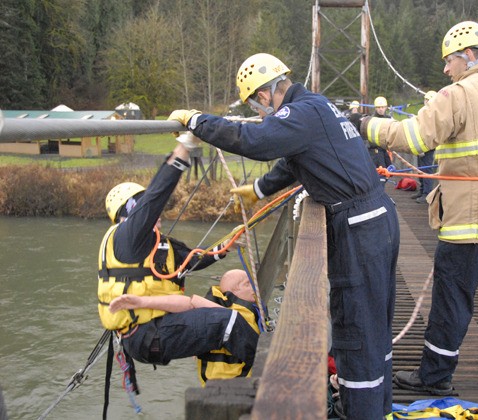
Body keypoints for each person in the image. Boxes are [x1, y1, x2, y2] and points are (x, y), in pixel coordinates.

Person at [168, 52, 400, 419]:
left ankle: (363, 413)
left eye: (258, 107)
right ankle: (377, 407)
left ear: (263, 96)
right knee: (374, 325)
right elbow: (296, 160)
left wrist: (197, 121)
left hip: (359, 227)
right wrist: (259, 189)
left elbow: (252, 139)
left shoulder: (300, 113)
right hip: (375, 218)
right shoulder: (315, 106)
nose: (262, 115)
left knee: (356, 332)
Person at [359, 21, 478, 395]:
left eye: (449, 61)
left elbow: (413, 139)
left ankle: (435, 376)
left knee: (453, 300)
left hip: (470, 219)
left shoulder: (457, 95)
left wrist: (368, 125)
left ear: (467, 56)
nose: (446, 69)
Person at [98, 142, 258, 375]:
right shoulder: (126, 238)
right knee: (228, 323)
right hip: (147, 334)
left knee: (220, 316)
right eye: (140, 206)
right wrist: (183, 149)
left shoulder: (158, 245)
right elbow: (157, 194)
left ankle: (245, 369)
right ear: (128, 213)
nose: (154, 213)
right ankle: (279, 369)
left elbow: (193, 259)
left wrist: (226, 245)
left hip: (159, 325)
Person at [109, 269, 261, 384]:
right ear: (235, 290)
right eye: (247, 284)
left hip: (212, 387)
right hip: (238, 386)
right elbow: (191, 304)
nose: (253, 288)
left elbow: (190, 304)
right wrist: (143, 302)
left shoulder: (213, 310)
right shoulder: (234, 315)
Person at [412, 90, 438, 203]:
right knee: (420, 169)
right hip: (421, 144)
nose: (427, 102)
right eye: (426, 100)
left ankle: (427, 194)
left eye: (429, 100)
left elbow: (432, 133)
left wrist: (425, 146)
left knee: (427, 170)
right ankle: (422, 191)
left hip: (429, 146)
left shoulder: (435, 114)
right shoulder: (422, 112)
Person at [368, 96, 392, 172]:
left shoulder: (388, 119)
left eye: (382, 107)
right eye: (379, 107)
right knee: (382, 173)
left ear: (386, 107)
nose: (381, 109)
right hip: (376, 151)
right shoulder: (371, 120)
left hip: (384, 149)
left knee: (389, 171)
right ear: (375, 108)